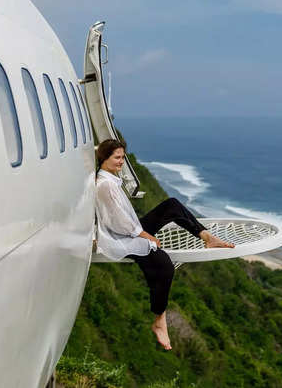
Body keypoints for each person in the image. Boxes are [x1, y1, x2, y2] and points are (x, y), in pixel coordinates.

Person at [94, 139, 234, 350]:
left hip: (128, 229)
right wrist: (146, 236)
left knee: (172, 205)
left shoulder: (111, 180)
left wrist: (142, 232)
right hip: (120, 237)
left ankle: (207, 237)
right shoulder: (105, 185)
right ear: (104, 158)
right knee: (165, 267)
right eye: (117, 157)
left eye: (123, 157)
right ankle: (159, 321)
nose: (121, 162)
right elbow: (118, 222)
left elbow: (124, 219)